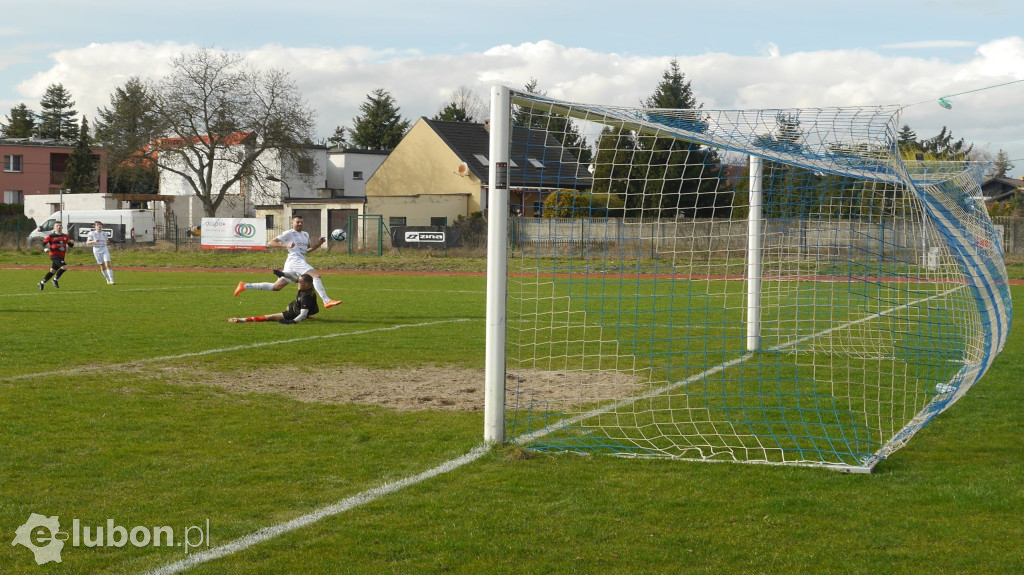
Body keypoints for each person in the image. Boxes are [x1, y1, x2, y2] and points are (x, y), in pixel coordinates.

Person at [233, 214, 341, 308]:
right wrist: (286, 245)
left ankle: (244, 285)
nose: (299, 224)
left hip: (295, 262)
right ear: (292, 223)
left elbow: (307, 250)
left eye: (301, 222)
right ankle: (326, 301)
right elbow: (271, 243)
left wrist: (318, 244)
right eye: (297, 222)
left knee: (277, 287)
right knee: (316, 276)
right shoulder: (289, 233)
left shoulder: (305, 234)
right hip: (295, 260)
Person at [228, 273, 319, 324]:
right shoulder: (306, 287)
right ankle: (306, 314)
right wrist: (282, 274)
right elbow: (292, 277)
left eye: (299, 282)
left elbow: (302, 314)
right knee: (289, 307)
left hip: (295, 312)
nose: (297, 283)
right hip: (299, 307)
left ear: (307, 284)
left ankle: (241, 320)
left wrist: (293, 321)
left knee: (271, 317)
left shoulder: (307, 297)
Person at [38, 221, 74, 290]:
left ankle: (42, 283)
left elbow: (70, 245)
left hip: (61, 256)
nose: (59, 227)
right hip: (54, 255)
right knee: (64, 267)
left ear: (62, 227)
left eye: (60, 225)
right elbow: (43, 243)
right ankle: (55, 280)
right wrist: (44, 248)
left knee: (52, 271)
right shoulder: (50, 236)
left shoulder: (65, 236)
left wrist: (72, 243)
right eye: (57, 226)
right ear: (54, 228)